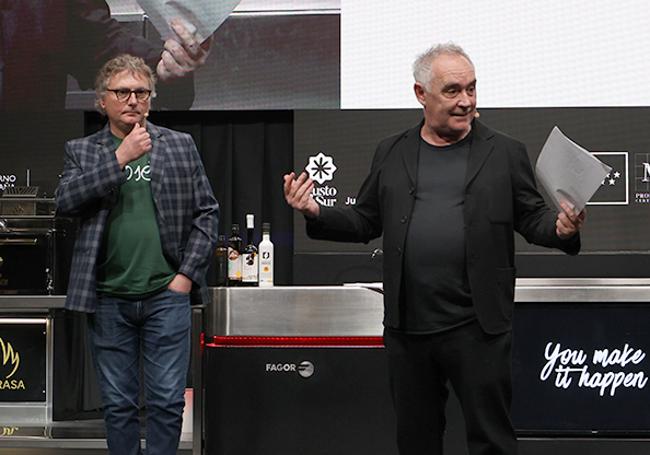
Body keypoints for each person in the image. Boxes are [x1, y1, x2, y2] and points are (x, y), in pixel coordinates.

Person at [284, 43, 585, 455]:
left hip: (478, 327)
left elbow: (533, 219)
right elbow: (366, 221)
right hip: (410, 330)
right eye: (453, 91)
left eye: (472, 89)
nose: (466, 101)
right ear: (420, 94)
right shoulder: (392, 151)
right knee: (416, 441)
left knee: (491, 439)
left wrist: (561, 228)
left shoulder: (505, 152)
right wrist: (317, 211)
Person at [55, 54, 219, 455]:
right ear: (102, 100)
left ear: (151, 98)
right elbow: (66, 201)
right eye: (122, 92)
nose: (132, 99)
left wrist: (184, 279)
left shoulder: (180, 145)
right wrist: (119, 158)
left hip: (167, 295)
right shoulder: (83, 151)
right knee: (119, 405)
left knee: (166, 402)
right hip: (108, 297)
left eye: (141, 92)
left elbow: (207, 214)